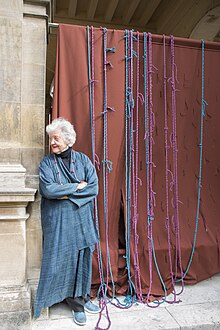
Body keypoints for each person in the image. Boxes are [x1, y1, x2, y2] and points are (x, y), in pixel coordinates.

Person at [34, 117, 100, 326]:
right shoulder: (46, 163)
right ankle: (73, 303)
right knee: (61, 260)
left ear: (68, 139)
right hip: (58, 221)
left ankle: (82, 298)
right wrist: (75, 188)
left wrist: (64, 194)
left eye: (56, 138)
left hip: (81, 219)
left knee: (82, 258)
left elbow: (93, 188)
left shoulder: (84, 161)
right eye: (51, 139)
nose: (52, 142)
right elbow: (48, 190)